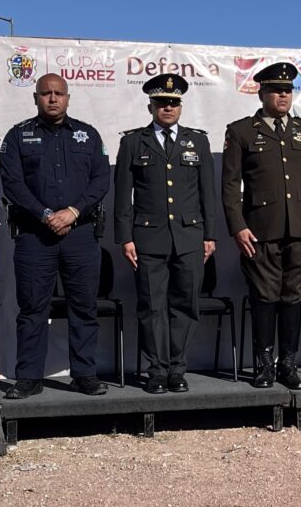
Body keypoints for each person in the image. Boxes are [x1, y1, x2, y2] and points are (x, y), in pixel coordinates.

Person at [0, 73, 110, 398]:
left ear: (68, 97)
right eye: (45, 93)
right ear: (35, 98)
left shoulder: (87, 136)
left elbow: (101, 180)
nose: (52, 98)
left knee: (84, 307)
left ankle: (85, 375)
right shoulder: (18, 136)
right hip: (35, 236)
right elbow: (13, 183)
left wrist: (74, 211)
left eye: (58, 93)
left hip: (80, 235)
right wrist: (45, 215)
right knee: (33, 308)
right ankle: (29, 379)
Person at [223, 62, 301, 390]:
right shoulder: (241, 131)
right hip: (260, 232)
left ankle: (288, 364)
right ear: (262, 92)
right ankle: (264, 365)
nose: (283, 96)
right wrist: (237, 226)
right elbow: (230, 185)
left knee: (293, 297)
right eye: (276, 90)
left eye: (287, 90)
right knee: (264, 298)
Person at [115, 74, 217, 393]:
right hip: (148, 238)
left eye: (173, 103)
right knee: (151, 306)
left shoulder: (197, 141)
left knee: (185, 304)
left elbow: (207, 194)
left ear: (180, 107)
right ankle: (157, 369)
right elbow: (122, 195)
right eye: (162, 103)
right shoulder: (133, 142)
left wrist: (210, 235)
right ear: (151, 106)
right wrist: (125, 237)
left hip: (189, 237)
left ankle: (177, 368)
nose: (168, 108)